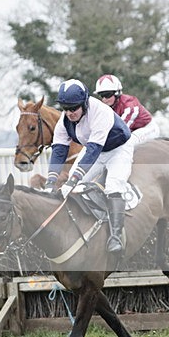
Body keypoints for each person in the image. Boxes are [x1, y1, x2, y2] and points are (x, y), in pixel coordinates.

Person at [45, 79, 134, 253]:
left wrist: (74, 181)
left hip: (118, 149)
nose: (69, 113)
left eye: (73, 108)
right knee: (70, 185)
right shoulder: (64, 121)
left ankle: (116, 237)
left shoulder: (100, 112)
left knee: (113, 186)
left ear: (84, 103)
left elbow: (93, 149)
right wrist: (50, 182)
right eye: (65, 108)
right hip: (96, 151)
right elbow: (59, 150)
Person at [94, 74, 160, 144]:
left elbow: (121, 130)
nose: (104, 99)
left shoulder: (129, 105)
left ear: (117, 93)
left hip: (147, 128)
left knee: (128, 142)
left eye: (107, 95)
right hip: (132, 130)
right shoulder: (108, 106)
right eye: (101, 95)